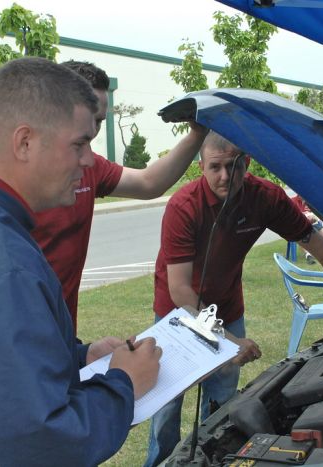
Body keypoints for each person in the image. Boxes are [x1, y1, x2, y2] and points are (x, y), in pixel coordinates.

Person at [0, 57, 162, 466]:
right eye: (79, 143)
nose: (89, 161)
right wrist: (123, 383)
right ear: (24, 142)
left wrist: (77, 356)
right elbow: (41, 442)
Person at [144, 131, 323, 467]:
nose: (225, 176)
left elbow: (319, 247)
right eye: (215, 167)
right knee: (167, 407)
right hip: (177, 315)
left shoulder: (265, 197)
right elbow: (181, 290)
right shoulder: (183, 207)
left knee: (221, 401)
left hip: (226, 307)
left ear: (248, 162)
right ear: (201, 166)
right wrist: (229, 341)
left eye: (233, 165)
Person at [32, 61, 208, 333]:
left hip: (61, 333)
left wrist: (197, 134)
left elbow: (149, 183)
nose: (93, 131)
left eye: (100, 120)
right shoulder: (3, 185)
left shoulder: (90, 166)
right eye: (88, 119)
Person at [291, 194, 323, 263]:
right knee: (301, 235)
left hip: (313, 223)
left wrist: (314, 218)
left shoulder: (311, 201)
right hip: (300, 224)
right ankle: (308, 255)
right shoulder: (293, 201)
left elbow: (317, 214)